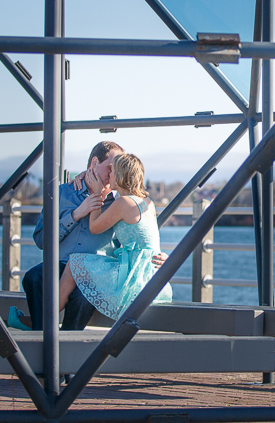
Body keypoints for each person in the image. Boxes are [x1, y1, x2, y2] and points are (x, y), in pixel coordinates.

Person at [10, 141, 165, 331]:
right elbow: (41, 240)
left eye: (115, 169)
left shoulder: (118, 201)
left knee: (84, 297)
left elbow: (134, 235)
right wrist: (76, 214)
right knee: (33, 278)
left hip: (97, 270)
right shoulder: (62, 193)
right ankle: (42, 333)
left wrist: (155, 255)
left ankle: (60, 339)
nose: (111, 174)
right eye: (110, 167)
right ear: (93, 162)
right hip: (61, 263)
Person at [59, 153, 172, 319]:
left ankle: (45, 320)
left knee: (73, 264)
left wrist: (96, 194)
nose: (109, 175)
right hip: (149, 271)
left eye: (112, 171)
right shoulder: (147, 202)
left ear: (119, 176)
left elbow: (94, 227)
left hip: (133, 275)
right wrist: (83, 174)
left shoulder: (123, 203)